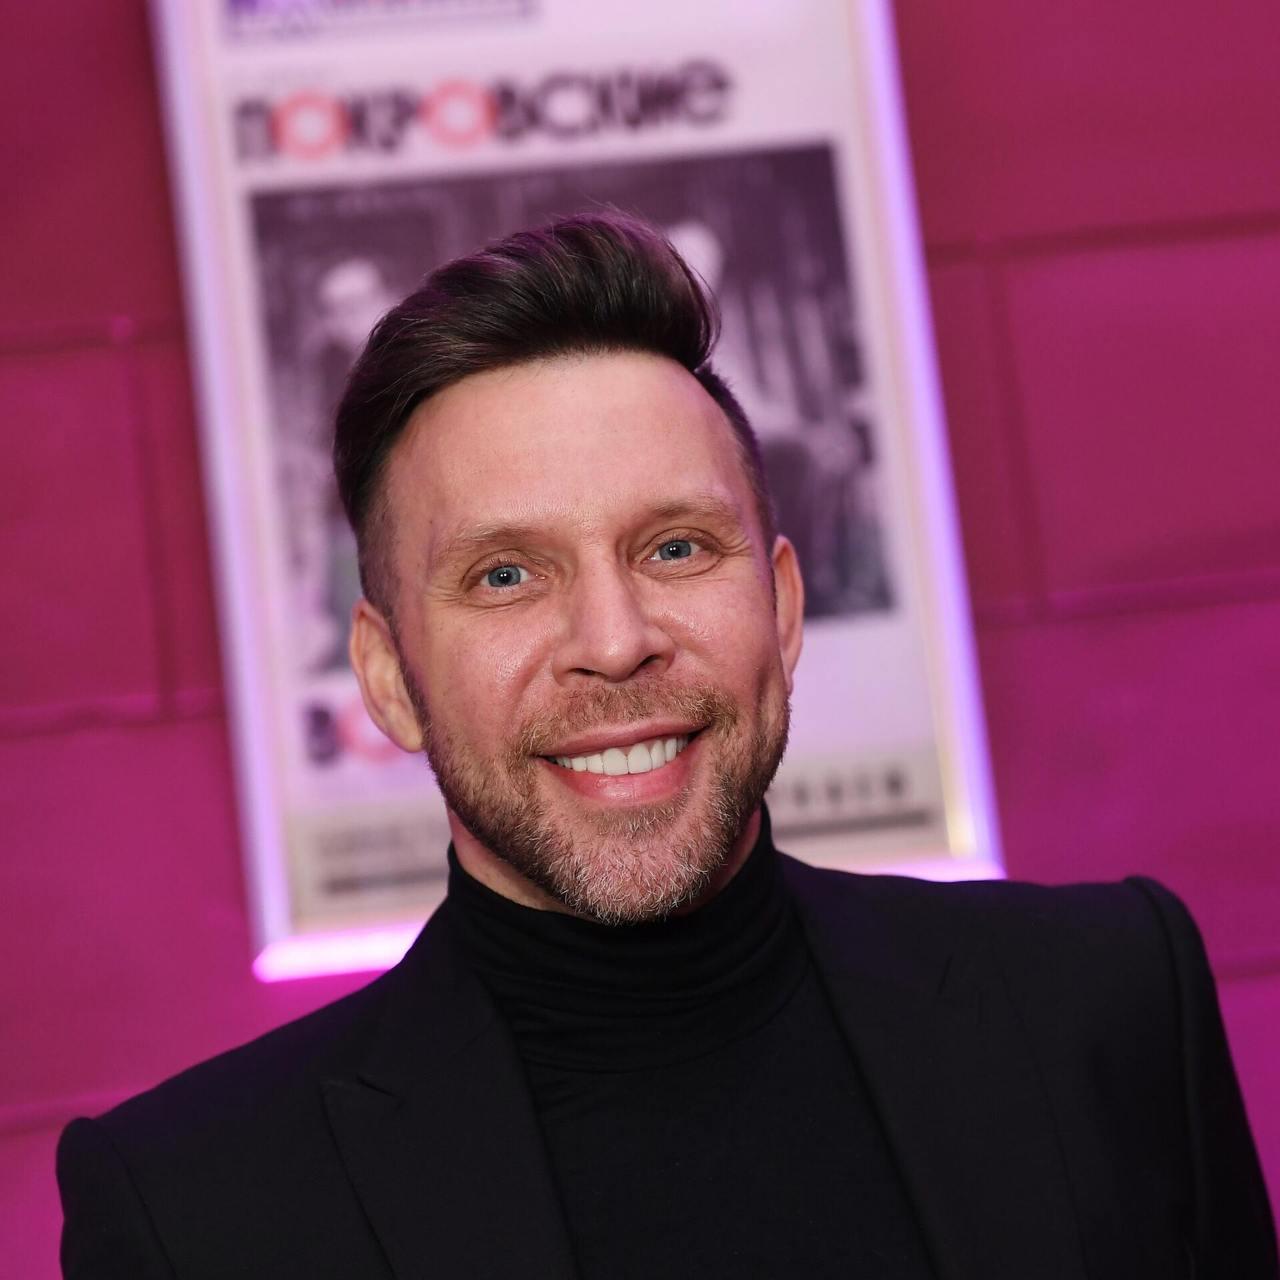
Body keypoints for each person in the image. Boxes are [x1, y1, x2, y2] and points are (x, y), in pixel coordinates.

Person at [57, 213, 1276, 1279]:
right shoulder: (194, 1208)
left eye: (676, 547)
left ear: (781, 608)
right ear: (388, 677)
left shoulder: (1104, 1004)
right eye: (504, 574)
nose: (614, 640)